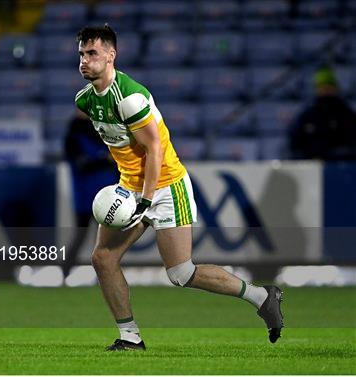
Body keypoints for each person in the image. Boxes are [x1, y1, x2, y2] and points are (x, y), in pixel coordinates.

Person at [74, 25, 284, 351]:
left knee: (181, 273)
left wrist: (144, 200)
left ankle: (261, 296)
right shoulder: (86, 100)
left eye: (93, 53)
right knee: (103, 259)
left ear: (111, 55)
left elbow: (155, 149)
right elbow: (122, 145)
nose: (85, 61)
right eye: (82, 54)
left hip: (167, 187)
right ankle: (130, 338)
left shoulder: (129, 97)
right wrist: (130, 190)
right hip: (131, 189)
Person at [63, 110, 118, 277]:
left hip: (106, 194)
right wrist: (105, 160)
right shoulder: (74, 137)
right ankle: (65, 271)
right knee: (83, 235)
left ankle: (104, 276)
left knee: (104, 239)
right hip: (86, 195)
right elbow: (82, 164)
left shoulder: (104, 132)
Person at [289, 66, 356, 160]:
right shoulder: (308, 115)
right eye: (322, 87)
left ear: (335, 88)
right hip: (313, 166)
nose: (325, 90)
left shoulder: (346, 115)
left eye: (328, 87)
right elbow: (295, 143)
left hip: (340, 166)